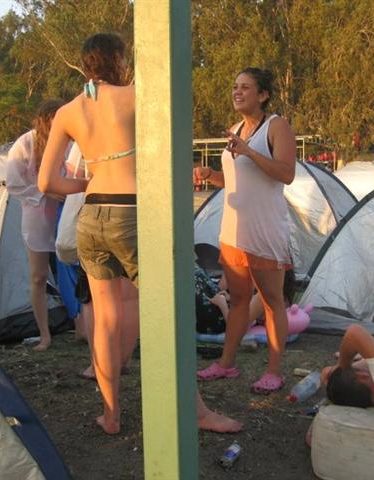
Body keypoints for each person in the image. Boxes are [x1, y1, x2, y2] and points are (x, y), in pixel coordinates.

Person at [38, 32, 241, 435]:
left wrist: (89, 183)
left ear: (85, 65)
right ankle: (197, 411)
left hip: (91, 217)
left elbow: (47, 182)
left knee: (105, 320)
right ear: (118, 60)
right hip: (132, 215)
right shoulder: (136, 96)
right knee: (166, 314)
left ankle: (110, 415)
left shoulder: (68, 111)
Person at [193, 67, 296, 394]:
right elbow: (236, 179)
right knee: (238, 300)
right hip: (234, 231)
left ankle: (274, 371)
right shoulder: (236, 129)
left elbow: (287, 173)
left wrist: (250, 151)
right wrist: (210, 175)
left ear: (263, 95)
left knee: (271, 301)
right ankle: (226, 364)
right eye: (235, 86)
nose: (237, 92)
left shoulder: (276, 126)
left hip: (265, 232)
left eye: (246, 87)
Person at [7, 99, 66, 352]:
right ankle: (45, 335)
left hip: (66, 211)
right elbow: (14, 184)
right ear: (45, 119)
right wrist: (45, 192)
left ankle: (82, 324)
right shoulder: (25, 144)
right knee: (38, 276)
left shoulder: (70, 141)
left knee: (72, 271)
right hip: (37, 214)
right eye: (56, 117)